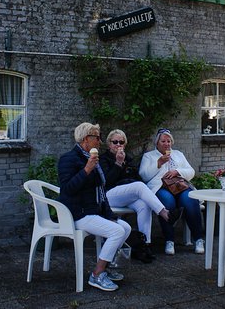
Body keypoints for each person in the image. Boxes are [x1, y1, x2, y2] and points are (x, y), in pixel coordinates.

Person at [57, 123, 131, 292]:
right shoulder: (69, 159)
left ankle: (106, 266)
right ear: (85, 139)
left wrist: (109, 214)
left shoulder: (93, 159)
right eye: (96, 137)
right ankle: (97, 275)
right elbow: (68, 189)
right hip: (77, 213)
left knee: (125, 228)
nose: (99, 141)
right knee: (116, 231)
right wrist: (87, 169)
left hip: (93, 211)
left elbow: (101, 190)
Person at [99, 129, 179, 262]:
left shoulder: (128, 158)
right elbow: (107, 181)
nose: (118, 144)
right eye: (115, 142)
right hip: (109, 195)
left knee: (144, 204)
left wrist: (125, 164)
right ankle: (165, 214)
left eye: (121, 142)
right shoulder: (103, 159)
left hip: (126, 196)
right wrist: (118, 164)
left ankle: (144, 246)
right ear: (109, 144)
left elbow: (135, 177)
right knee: (140, 186)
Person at [139, 128, 204, 256]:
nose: (166, 143)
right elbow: (144, 176)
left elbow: (191, 172)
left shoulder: (178, 154)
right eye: (163, 141)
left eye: (169, 141)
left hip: (180, 186)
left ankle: (198, 239)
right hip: (160, 187)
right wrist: (158, 164)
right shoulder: (149, 156)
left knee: (190, 200)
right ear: (157, 143)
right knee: (167, 202)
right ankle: (169, 240)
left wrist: (177, 172)